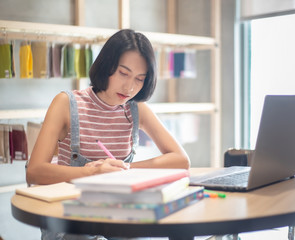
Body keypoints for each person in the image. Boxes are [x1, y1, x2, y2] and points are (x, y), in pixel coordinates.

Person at [26, 29, 190, 240]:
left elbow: (181, 160)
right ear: (107, 66)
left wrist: (125, 169)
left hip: (117, 216)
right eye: (123, 73)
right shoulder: (67, 104)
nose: (130, 87)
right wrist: (92, 173)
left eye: (140, 79)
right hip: (69, 219)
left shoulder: (135, 109)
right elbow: (35, 171)